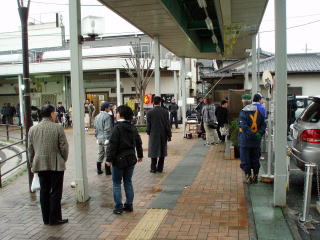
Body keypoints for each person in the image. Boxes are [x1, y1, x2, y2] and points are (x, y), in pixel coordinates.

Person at [28, 104, 69, 225]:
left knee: (44, 191)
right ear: (51, 114)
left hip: (40, 164)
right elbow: (64, 147)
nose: (56, 114)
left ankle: (46, 219)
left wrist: (32, 164)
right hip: (56, 164)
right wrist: (63, 159)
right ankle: (54, 218)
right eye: (55, 112)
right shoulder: (58, 127)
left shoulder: (32, 129)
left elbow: (30, 149)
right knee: (56, 191)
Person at [106, 105, 143, 214]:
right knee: (128, 182)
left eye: (117, 112)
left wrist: (109, 159)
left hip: (119, 160)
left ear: (120, 114)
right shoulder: (133, 127)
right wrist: (140, 155)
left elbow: (112, 145)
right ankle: (129, 205)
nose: (115, 114)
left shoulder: (117, 128)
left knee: (117, 183)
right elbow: (138, 142)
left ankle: (118, 207)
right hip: (131, 159)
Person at [239, 94, 266, 184]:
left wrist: (251, 135)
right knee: (255, 159)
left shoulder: (243, 112)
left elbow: (244, 126)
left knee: (245, 159)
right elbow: (263, 124)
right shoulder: (258, 111)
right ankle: (256, 176)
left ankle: (248, 176)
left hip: (245, 141)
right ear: (251, 101)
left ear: (243, 102)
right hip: (256, 141)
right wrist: (259, 134)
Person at [147, 96, 172, 173]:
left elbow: (148, 125)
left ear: (153, 102)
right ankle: (160, 168)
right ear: (160, 102)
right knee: (162, 151)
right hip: (163, 134)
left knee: (153, 151)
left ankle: (153, 168)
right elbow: (167, 124)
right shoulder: (165, 112)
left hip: (153, 134)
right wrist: (169, 135)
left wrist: (148, 132)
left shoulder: (149, 112)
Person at [94, 102, 113, 175]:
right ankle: (108, 171)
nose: (110, 108)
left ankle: (99, 170)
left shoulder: (97, 116)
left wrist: (97, 137)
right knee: (108, 154)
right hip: (106, 138)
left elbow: (95, 128)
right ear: (106, 108)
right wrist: (107, 139)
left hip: (99, 138)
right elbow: (107, 129)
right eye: (109, 107)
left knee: (100, 153)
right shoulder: (107, 116)